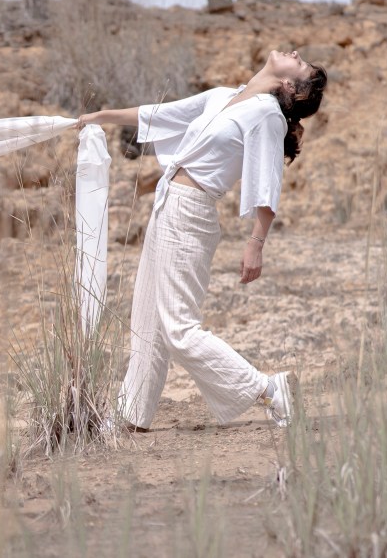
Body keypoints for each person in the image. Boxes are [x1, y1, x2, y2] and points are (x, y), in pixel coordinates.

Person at [77, 49, 327, 430]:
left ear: (290, 85)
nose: (294, 53)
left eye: (300, 62)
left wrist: (256, 244)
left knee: (179, 329)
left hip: (192, 212)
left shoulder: (267, 116)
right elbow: (162, 115)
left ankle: (269, 389)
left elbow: (268, 182)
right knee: (146, 321)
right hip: (168, 203)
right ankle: (131, 414)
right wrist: (100, 117)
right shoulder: (227, 96)